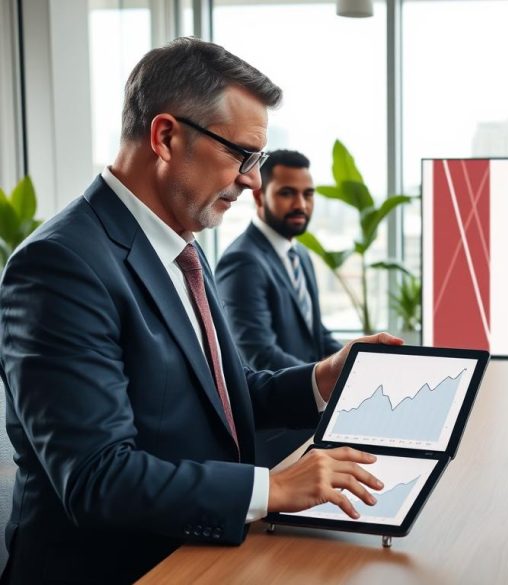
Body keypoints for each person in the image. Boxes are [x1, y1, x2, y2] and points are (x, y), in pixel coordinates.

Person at [0, 38, 399, 583]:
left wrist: (320, 380)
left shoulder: (182, 246)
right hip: (125, 568)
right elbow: (97, 477)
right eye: (241, 155)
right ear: (165, 137)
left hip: (202, 551)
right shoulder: (59, 266)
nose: (253, 180)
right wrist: (274, 487)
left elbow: (220, 400)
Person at [216, 149, 342, 467]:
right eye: (287, 193)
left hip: (313, 421)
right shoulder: (242, 261)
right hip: (281, 436)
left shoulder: (299, 256)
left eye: (307, 194)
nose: (301, 204)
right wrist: (325, 387)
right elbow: (260, 355)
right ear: (259, 195)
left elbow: (317, 334)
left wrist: (358, 366)